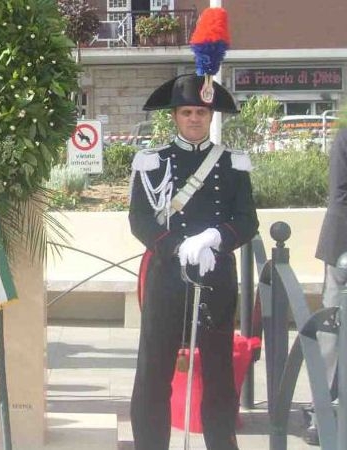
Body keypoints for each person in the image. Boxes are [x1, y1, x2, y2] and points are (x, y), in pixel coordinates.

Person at [128, 74, 259, 450]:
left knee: (218, 374)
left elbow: (248, 220)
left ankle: (221, 443)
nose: (194, 119)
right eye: (187, 112)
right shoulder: (152, 162)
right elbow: (139, 220)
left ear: (210, 114)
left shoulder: (232, 164)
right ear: (175, 116)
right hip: (168, 277)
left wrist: (215, 238)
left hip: (215, 278)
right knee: (154, 372)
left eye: (201, 112)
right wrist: (176, 245)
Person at [311, 126, 347, 445]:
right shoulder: (345, 137)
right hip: (343, 247)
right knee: (331, 333)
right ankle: (320, 411)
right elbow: (340, 194)